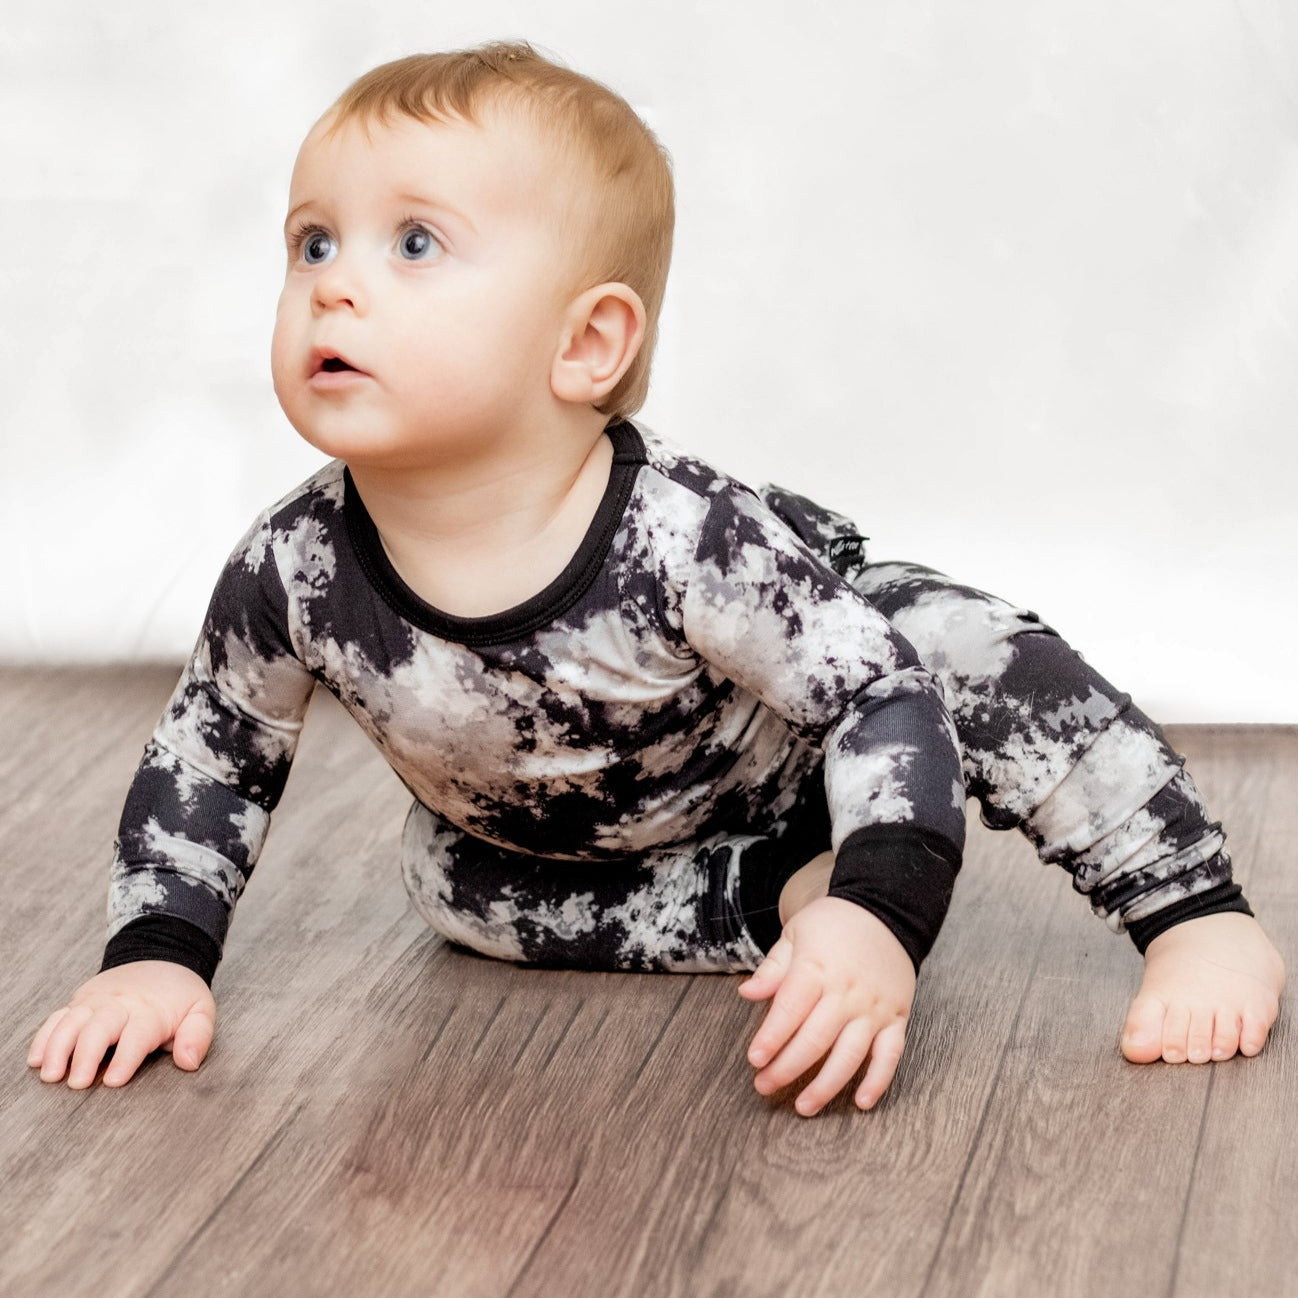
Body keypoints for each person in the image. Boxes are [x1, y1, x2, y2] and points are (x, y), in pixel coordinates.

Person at [27, 42, 1284, 1115]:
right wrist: (158, 951)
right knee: (450, 885)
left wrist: (881, 911)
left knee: (957, 650)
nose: (333, 284)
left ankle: (1187, 908)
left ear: (586, 342)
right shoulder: (291, 565)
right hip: (588, 836)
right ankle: (774, 892)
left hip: (814, 721)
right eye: (311, 242)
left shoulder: (685, 536)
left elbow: (875, 697)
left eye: (414, 242)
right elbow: (210, 753)